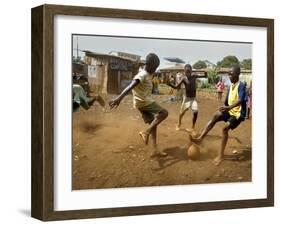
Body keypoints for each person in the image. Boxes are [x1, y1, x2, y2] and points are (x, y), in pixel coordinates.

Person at [109, 53, 168, 157]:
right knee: (164, 113)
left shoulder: (149, 74)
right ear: (149, 65)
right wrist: (119, 98)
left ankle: (155, 149)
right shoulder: (142, 74)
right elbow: (130, 86)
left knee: (153, 124)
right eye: (154, 68)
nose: (155, 70)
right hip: (144, 102)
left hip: (141, 103)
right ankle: (146, 132)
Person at [190, 65, 247, 166]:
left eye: (231, 74)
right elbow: (227, 101)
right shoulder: (230, 86)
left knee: (225, 129)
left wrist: (229, 108)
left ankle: (221, 156)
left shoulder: (241, 85)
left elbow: (240, 100)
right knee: (216, 115)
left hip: (238, 113)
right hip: (229, 110)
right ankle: (200, 139)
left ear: (237, 74)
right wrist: (224, 107)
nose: (229, 76)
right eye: (228, 74)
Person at [168, 64, 207, 132]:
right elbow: (176, 87)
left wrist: (205, 72)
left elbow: (205, 76)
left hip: (193, 98)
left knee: (195, 112)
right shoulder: (183, 78)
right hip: (187, 99)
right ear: (184, 72)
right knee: (181, 113)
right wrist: (169, 84)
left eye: (189, 71)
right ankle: (179, 124)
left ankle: (192, 127)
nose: (188, 73)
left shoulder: (194, 76)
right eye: (186, 72)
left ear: (191, 71)